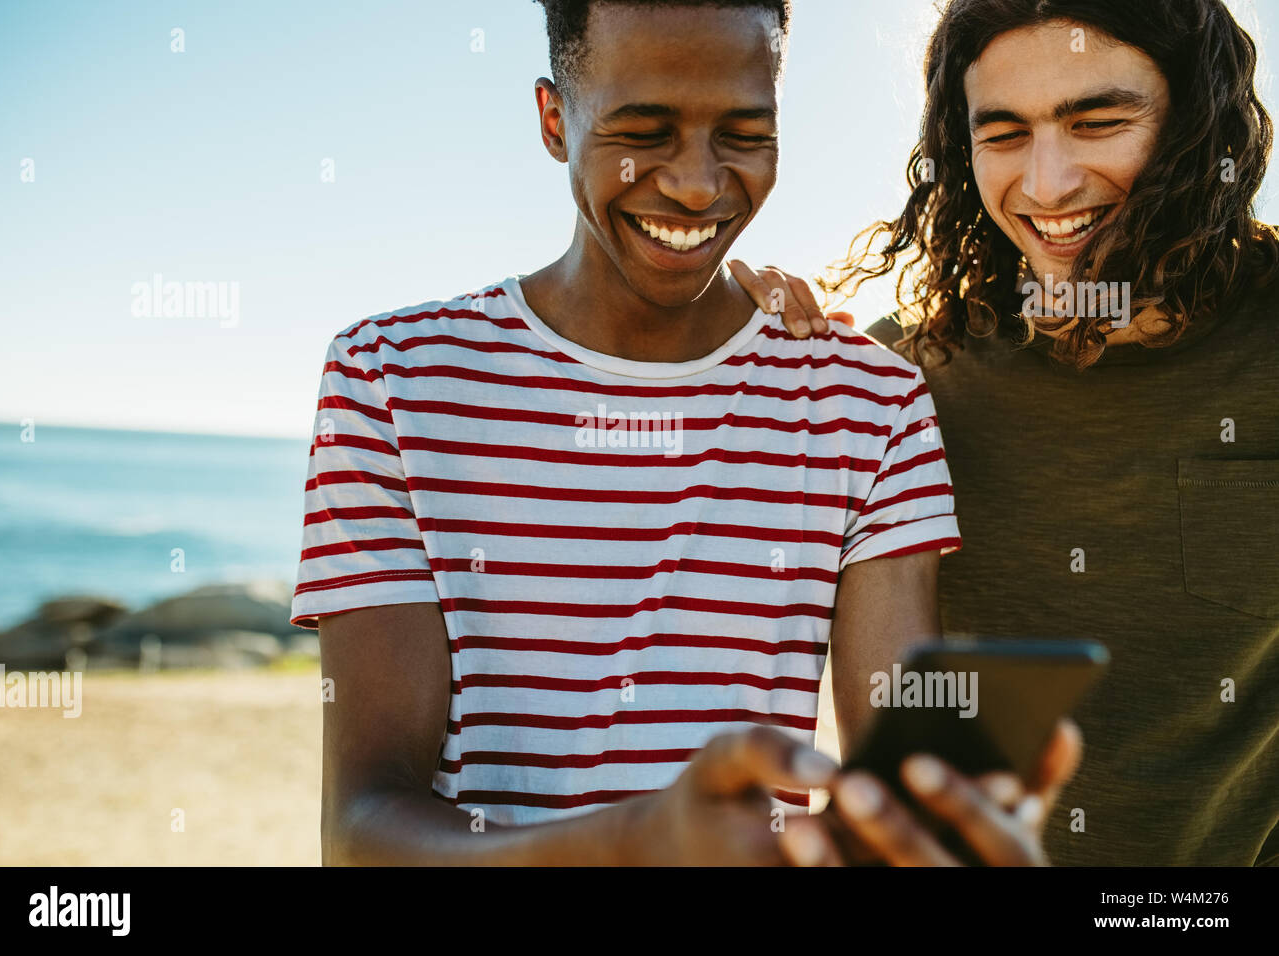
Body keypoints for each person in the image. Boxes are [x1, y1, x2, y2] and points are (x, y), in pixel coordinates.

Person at [289, 0, 1077, 865]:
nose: (699, 184)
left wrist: (935, 834)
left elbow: (889, 795)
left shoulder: (867, 401)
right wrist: (637, 843)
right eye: (646, 130)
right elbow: (360, 831)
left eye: (744, 132)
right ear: (555, 121)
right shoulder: (391, 379)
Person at [733, 0, 1279, 865]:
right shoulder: (903, 383)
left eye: (1098, 121)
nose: (1050, 183)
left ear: (1196, 117)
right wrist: (729, 345)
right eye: (1005, 133)